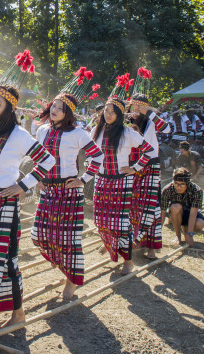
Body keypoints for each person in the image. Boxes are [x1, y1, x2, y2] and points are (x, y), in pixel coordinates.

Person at [0, 84, 54, 326]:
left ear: (9, 109)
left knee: (6, 259)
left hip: (4, 203)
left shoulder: (18, 135)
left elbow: (48, 160)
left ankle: (18, 313)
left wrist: (24, 185)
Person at [32, 87, 103, 300]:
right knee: (38, 236)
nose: (54, 109)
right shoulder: (42, 130)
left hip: (68, 192)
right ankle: (63, 266)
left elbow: (97, 156)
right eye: (53, 105)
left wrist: (83, 179)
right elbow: (39, 158)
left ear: (68, 113)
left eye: (60, 108)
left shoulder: (78, 133)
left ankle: (71, 283)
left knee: (68, 240)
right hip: (47, 190)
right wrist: (38, 180)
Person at [90, 86, 154, 275]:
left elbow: (149, 151)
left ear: (120, 114)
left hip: (121, 182)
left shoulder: (128, 133)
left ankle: (128, 260)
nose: (108, 115)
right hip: (101, 180)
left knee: (120, 223)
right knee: (100, 220)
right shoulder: (96, 130)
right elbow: (90, 152)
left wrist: (135, 168)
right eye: (106, 111)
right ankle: (111, 244)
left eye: (113, 112)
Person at [128, 93, 171, 260]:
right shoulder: (127, 121)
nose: (136, 109)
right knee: (132, 205)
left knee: (150, 207)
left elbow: (167, 129)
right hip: (132, 166)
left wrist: (149, 113)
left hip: (150, 166)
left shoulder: (152, 120)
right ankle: (137, 242)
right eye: (134, 105)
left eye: (140, 106)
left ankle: (153, 246)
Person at [161, 168, 204, 246]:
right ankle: (178, 235)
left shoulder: (197, 191)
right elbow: (163, 212)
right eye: (176, 184)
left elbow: (193, 214)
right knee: (175, 207)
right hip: (175, 212)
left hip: (190, 214)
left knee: (200, 224)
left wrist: (190, 234)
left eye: (182, 184)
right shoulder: (167, 189)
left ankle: (186, 229)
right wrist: (157, 233)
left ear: (187, 183)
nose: (178, 187)